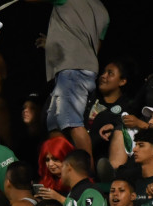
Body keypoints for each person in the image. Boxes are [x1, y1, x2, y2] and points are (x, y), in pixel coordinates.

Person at [38, 0, 109, 157]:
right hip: (83, 70)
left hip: (72, 71)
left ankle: (86, 176)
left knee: (71, 123)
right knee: (54, 126)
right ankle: (63, 174)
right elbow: (95, 46)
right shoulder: (103, 11)